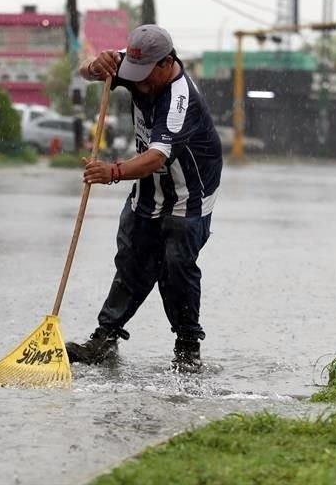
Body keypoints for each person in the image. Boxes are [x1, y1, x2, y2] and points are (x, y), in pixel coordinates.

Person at [67, 24, 223, 372]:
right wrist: (97, 65)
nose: (139, 83)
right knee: (133, 257)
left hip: (189, 192)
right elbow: (85, 71)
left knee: (175, 264)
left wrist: (113, 172)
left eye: (147, 74)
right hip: (150, 185)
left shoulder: (180, 101)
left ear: (168, 62)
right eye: (133, 73)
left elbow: (157, 155)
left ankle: (187, 347)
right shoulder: (137, 67)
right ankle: (104, 339)